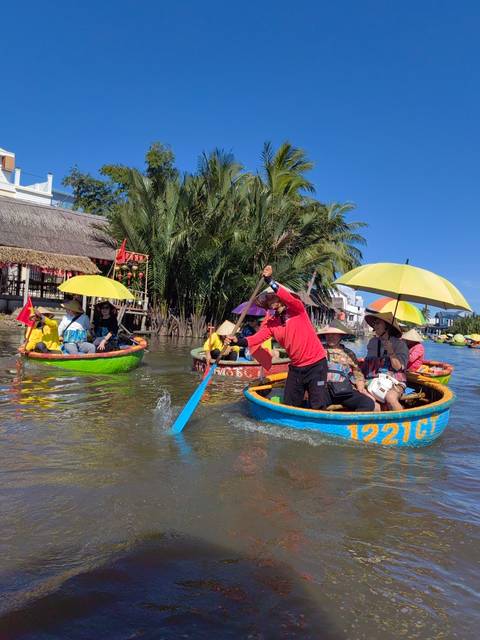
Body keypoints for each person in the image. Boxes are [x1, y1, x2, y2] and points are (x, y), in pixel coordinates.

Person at [225, 265, 328, 409]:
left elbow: (289, 298)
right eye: (267, 300)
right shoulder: (271, 324)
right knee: (289, 406)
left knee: (318, 405)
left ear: (279, 297)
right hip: (296, 368)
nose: (269, 301)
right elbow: (256, 339)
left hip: (316, 365)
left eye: (271, 297)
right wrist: (237, 341)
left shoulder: (297, 310)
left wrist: (269, 280)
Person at [317, 322, 375, 411]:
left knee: (368, 403)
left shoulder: (349, 353)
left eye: (334, 334)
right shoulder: (318, 350)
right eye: (328, 334)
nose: (330, 337)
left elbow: (357, 372)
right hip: (325, 390)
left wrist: (360, 386)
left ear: (340, 336)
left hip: (344, 390)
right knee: (314, 404)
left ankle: (353, 423)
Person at [363, 312, 409, 411]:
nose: (375, 325)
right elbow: (367, 364)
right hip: (373, 379)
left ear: (387, 326)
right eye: (374, 323)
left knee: (390, 398)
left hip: (395, 381)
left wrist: (391, 352)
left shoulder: (400, 344)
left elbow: (398, 367)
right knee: (369, 401)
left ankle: (403, 422)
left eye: (378, 323)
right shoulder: (372, 342)